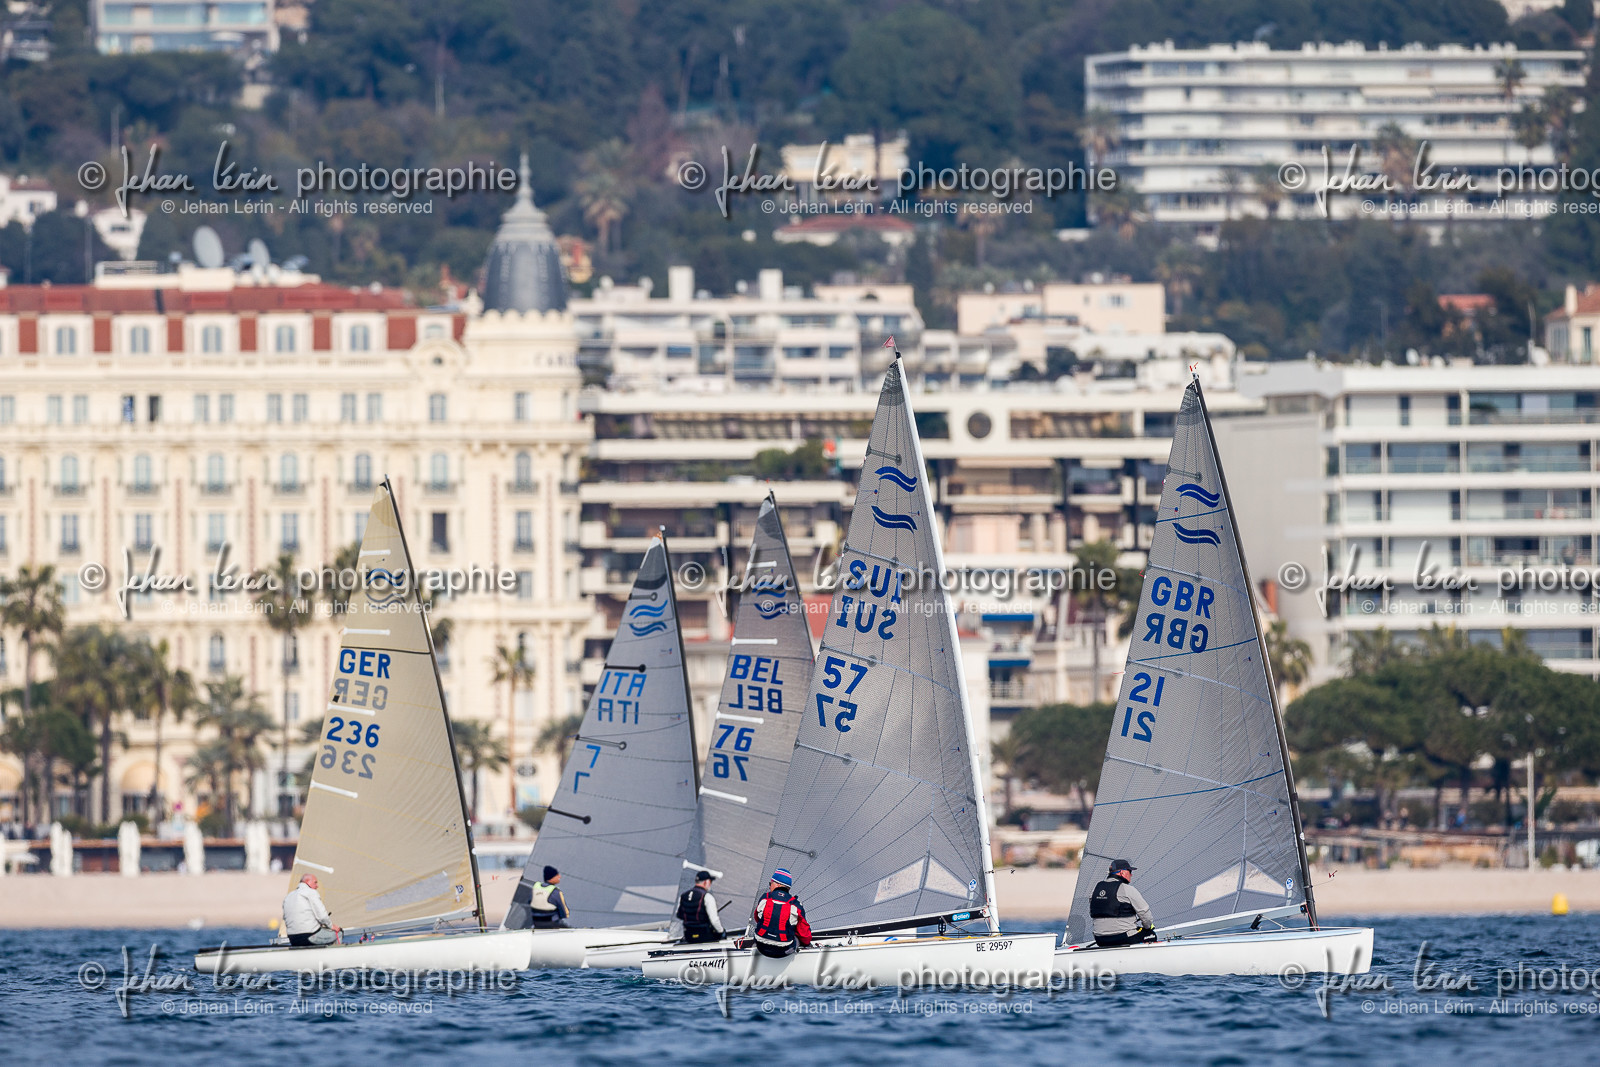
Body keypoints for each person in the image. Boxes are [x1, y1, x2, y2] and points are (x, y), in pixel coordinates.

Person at [1089, 859, 1156, 947]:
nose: (1131, 875)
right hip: (1124, 938)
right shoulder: (1127, 889)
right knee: (1151, 935)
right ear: (1122, 872)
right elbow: (1145, 915)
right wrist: (1148, 927)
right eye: (1130, 871)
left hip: (1100, 939)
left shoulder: (1095, 889)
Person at [751, 868, 811, 958]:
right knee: (798, 937)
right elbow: (804, 933)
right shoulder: (795, 905)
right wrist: (807, 943)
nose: (769, 887)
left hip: (761, 947)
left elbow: (757, 918)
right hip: (783, 951)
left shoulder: (765, 898)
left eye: (770, 883)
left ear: (777, 884)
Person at [282, 874, 342, 947]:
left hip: (293, 939)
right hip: (309, 936)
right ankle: (336, 952)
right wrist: (331, 926)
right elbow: (322, 916)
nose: (317, 886)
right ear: (307, 881)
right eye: (315, 882)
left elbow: (286, 918)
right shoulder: (311, 892)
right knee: (339, 933)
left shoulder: (288, 896)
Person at [506, 865, 570, 929]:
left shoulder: (535, 887)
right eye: (556, 875)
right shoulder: (556, 892)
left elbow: (529, 902)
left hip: (535, 923)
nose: (559, 876)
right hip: (549, 924)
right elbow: (564, 913)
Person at [677, 870, 725, 944]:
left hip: (688, 936)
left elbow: (679, 915)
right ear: (706, 882)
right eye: (710, 882)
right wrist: (721, 932)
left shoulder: (683, 896)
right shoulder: (707, 897)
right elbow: (714, 920)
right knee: (720, 934)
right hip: (704, 936)